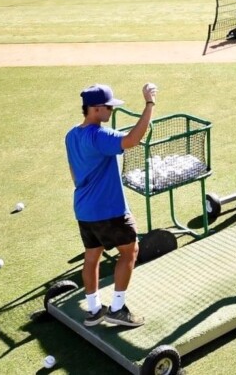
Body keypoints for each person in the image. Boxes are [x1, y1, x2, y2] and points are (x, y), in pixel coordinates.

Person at [66, 82, 158, 328]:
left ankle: (94, 310)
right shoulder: (99, 135)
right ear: (95, 109)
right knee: (130, 252)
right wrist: (149, 104)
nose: (112, 111)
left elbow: (74, 172)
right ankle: (117, 309)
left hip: (84, 209)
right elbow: (133, 139)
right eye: (109, 107)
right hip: (109, 211)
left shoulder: (72, 134)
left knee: (91, 257)